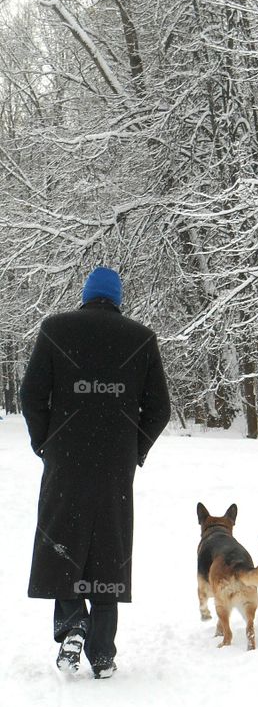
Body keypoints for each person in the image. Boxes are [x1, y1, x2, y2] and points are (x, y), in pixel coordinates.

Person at [20, 266, 171, 678]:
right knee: (108, 549)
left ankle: (72, 624)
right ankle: (102, 654)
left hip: (66, 459)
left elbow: (31, 395)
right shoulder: (140, 338)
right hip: (114, 466)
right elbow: (160, 408)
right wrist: (133, 450)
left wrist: (45, 442)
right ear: (118, 299)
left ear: (86, 295)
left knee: (62, 540)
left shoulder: (56, 329)